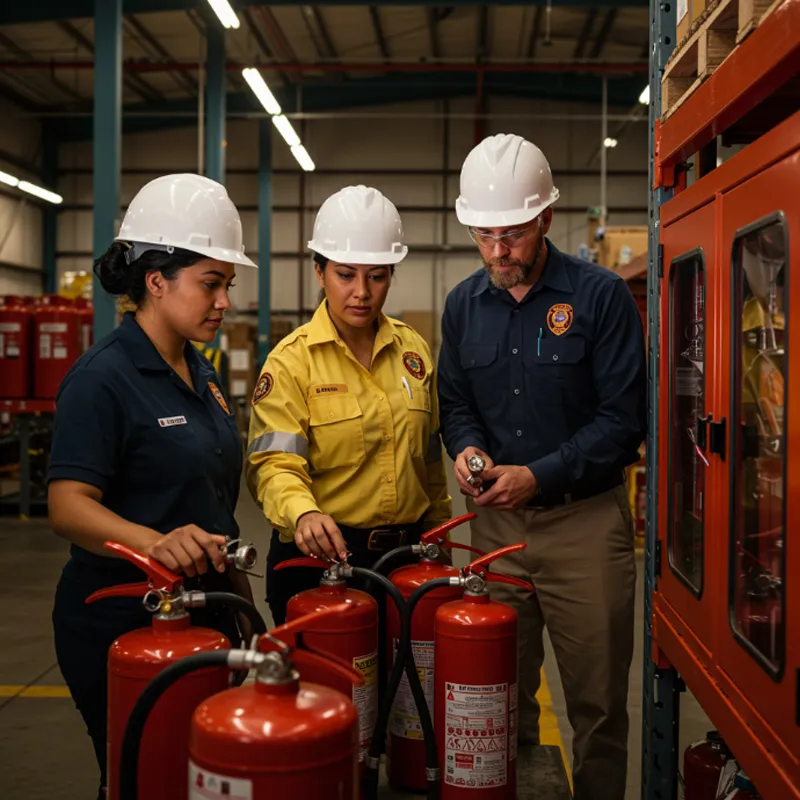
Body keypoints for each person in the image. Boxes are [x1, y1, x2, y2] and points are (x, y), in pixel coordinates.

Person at [437, 133, 647, 800]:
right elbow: (456, 403)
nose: (498, 251)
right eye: (484, 235)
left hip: (585, 525)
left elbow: (623, 422)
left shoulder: (602, 297)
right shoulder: (463, 305)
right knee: (494, 700)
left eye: (513, 234)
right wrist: (468, 450)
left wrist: (540, 474)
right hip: (495, 531)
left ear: (546, 219)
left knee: (598, 709)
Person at [48, 173, 257, 800]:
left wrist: (248, 612)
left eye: (228, 285)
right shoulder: (103, 378)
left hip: (204, 613)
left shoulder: (200, 370)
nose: (224, 302)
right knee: (146, 778)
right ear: (156, 279)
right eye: (210, 284)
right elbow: (67, 504)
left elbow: (213, 505)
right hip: (123, 620)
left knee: (203, 778)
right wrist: (155, 542)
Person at [245, 184, 452, 627]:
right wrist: (303, 512)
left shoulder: (412, 351)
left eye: (376, 276)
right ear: (319, 272)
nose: (362, 291)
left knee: (408, 694)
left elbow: (429, 459)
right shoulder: (291, 361)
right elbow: (272, 464)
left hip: (409, 560)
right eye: (346, 274)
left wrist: (440, 531)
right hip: (321, 563)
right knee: (330, 696)